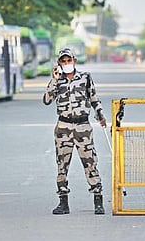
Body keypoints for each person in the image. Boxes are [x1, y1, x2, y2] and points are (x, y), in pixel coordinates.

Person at [43, 47, 107, 215]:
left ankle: (98, 200)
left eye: (68, 60)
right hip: (64, 127)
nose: (66, 63)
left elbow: (94, 98)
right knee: (62, 165)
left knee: (90, 162)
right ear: (59, 64)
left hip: (83, 127)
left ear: (74, 61)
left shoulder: (85, 78)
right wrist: (54, 80)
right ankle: (63, 202)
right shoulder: (58, 81)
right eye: (63, 61)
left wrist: (100, 114)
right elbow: (47, 100)